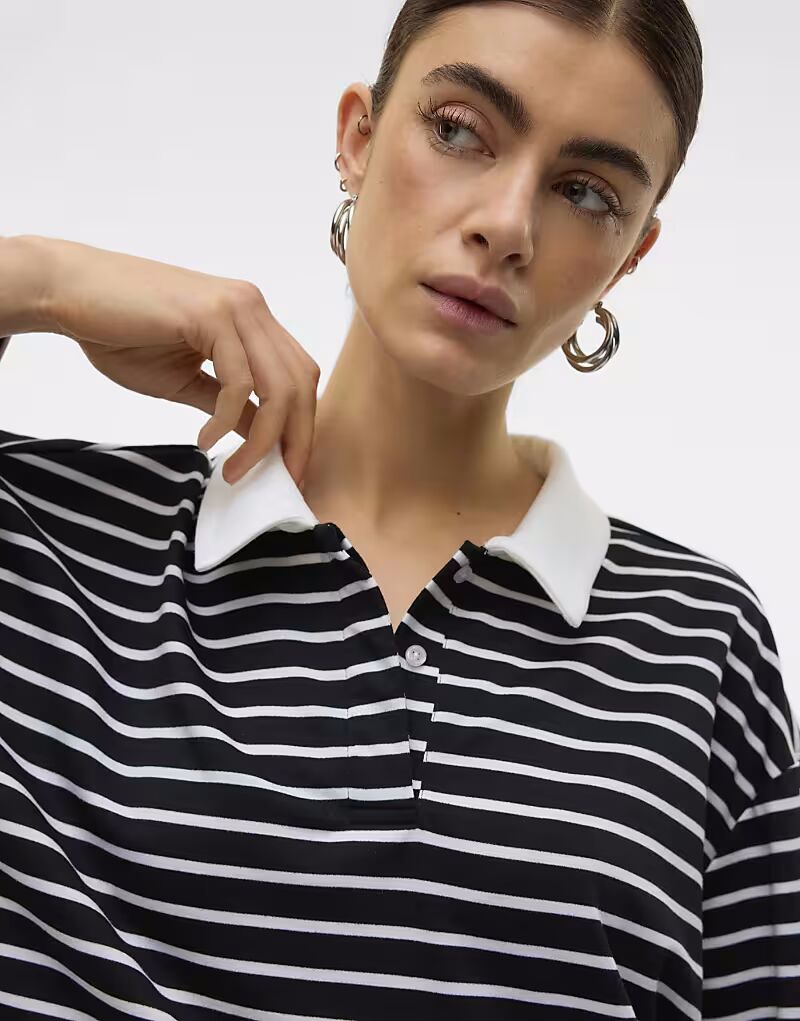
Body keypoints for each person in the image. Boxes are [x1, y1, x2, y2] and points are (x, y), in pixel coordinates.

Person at [0, 1, 797, 1017]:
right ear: (358, 139)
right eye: (460, 130)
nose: (507, 225)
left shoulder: (698, 644)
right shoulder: (46, 531)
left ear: (630, 254)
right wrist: (39, 277)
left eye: (586, 192)